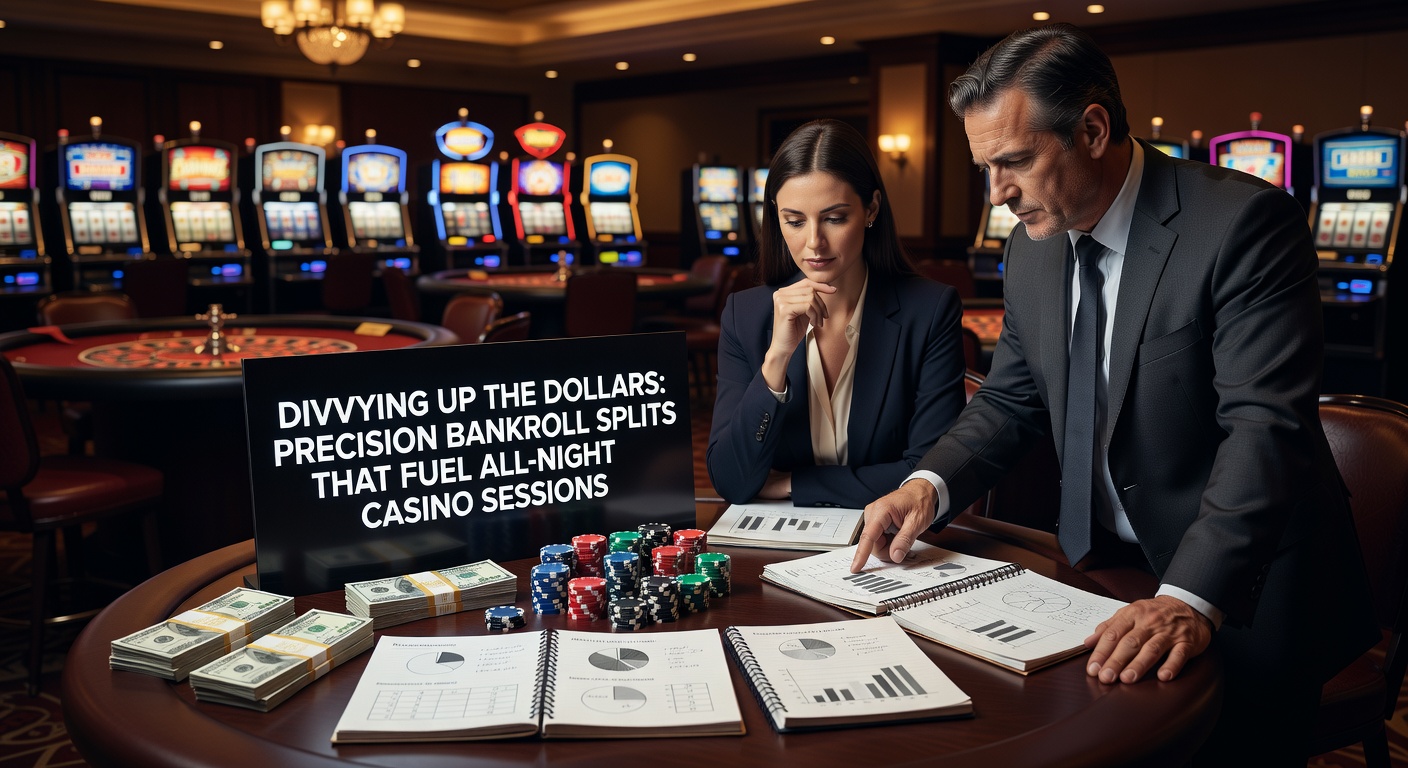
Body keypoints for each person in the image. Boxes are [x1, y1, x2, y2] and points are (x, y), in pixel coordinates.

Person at [850, 23, 1376, 765]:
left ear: (1092, 128)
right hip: (1097, 564)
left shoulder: (1245, 224)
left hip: (1240, 582)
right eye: (985, 168)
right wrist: (928, 486)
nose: (997, 194)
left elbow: (1263, 428)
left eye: (1014, 162)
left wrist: (1188, 598)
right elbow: (1011, 400)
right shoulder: (1031, 246)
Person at [706, 119, 967, 510]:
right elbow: (732, 480)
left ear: (871, 209)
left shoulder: (929, 311)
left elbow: (927, 474)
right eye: (794, 221)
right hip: (778, 550)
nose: (814, 242)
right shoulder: (746, 315)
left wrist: (795, 483)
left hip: (891, 543)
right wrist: (777, 357)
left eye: (834, 218)